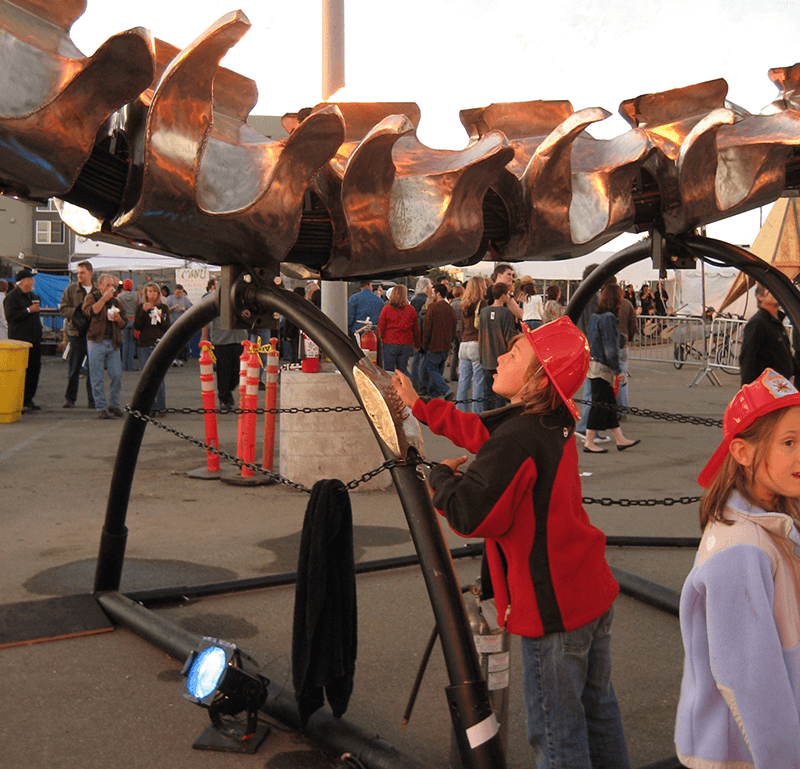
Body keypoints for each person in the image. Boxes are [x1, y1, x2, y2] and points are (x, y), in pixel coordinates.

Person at [392, 317, 630, 769]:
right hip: (589, 592)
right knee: (599, 711)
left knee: (556, 734)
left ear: (539, 379)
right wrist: (420, 407)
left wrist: (439, 475)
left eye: (515, 353)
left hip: (553, 610)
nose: (499, 356)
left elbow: (469, 512)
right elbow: (483, 433)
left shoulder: (520, 437)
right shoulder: (546, 420)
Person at [675, 368, 800, 769]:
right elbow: (751, 682)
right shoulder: (740, 550)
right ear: (742, 453)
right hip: (741, 754)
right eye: (789, 442)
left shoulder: (775, 516)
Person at [584, 284, 640, 453]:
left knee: (608, 405)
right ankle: (589, 441)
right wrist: (618, 371)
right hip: (603, 367)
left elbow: (597, 339)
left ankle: (619, 438)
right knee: (600, 404)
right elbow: (610, 347)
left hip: (594, 364)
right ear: (616, 299)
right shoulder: (608, 318)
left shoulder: (596, 316)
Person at [83, 273, 128, 419]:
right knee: (97, 376)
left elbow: (124, 323)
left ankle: (114, 404)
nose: (111, 289)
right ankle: (101, 407)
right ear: (100, 286)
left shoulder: (117, 302)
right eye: (107, 285)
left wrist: (118, 319)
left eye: (112, 286)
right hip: (96, 341)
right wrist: (104, 299)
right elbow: (91, 311)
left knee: (117, 375)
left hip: (112, 342)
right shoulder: (92, 297)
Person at [200, 278, 247, 410]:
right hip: (222, 340)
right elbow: (205, 319)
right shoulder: (214, 299)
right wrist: (204, 337)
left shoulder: (242, 299)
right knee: (223, 371)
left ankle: (229, 390)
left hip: (240, 339)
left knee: (238, 371)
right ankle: (224, 397)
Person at [739, 283, 795, 386]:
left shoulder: (777, 323)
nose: (776, 293)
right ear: (760, 296)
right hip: (764, 387)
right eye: (771, 291)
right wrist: (747, 389)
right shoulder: (758, 323)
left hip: (779, 386)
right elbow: (748, 357)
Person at [4, 268, 42, 412]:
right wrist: (28, 310)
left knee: (34, 370)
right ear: (23, 281)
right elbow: (10, 316)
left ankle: (28, 399)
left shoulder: (32, 296)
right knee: (20, 372)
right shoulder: (12, 297)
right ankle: (17, 400)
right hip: (19, 340)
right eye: (31, 280)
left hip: (34, 339)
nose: (33, 282)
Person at [59, 260, 96, 409]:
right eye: (78, 273)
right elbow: (62, 308)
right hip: (75, 333)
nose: (79, 275)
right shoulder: (70, 290)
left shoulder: (97, 290)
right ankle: (70, 398)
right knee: (74, 367)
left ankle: (93, 399)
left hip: (93, 334)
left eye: (82, 273)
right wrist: (77, 313)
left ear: (90, 273)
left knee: (93, 368)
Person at [133, 282, 171, 417]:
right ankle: (151, 407)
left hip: (159, 344)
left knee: (159, 377)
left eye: (155, 291)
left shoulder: (164, 308)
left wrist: (159, 317)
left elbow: (167, 327)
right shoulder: (140, 308)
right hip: (144, 346)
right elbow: (137, 326)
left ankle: (162, 407)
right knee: (146, 378)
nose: (153, 294)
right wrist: (144, 311)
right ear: (146, 294)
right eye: (150, 291)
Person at [478, 283, 516, 410]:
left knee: (486, 393)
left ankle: (485, 419)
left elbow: (480, 334)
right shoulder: (506, 313)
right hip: (501, 359)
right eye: (508, 294)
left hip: (486, 357)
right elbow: (509, 337)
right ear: (503, 295)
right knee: (499, 394)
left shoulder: (483, 312)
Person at [455, 277, 487, 413]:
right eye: (484, 285)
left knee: (463, 380)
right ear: (480, 287)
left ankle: (460, 410)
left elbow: (462, 327)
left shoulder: (464, 304)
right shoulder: (482, 303)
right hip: (475, 343)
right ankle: (477, 412)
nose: (486, 287)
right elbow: (484, 327)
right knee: (478, 381)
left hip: (464, 344)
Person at [422, 284, 457, 401]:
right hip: (446, 345)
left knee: (431, 369)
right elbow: (453, 328)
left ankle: (445, 390)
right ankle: (435, 394)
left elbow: (428, 328)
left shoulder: (432, 308)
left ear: (438, 293)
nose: (432, 295)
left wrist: (424, 344)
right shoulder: (450, 309)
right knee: (438, 372)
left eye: (433, 293)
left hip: (434, 344)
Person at [377, 284, 419, 377]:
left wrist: (377, 339)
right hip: (406, 343)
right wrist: (417, 344)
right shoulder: (410, 310)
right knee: (402, 370)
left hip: (389, 342)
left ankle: (392, 389)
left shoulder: (387, 309)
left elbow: (380, 327)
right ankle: (408, 388)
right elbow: (415, 329)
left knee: (389, 371)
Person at [617, 286, 638, 417]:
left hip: (608, 344)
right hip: (623, 343)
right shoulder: (627, 304)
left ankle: (609, 409)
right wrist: (629, 337)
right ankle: (622, 409)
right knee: (622, 377)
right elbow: (633, 324)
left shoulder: (603, 303)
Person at [410, 277, 433, 395]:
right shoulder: (423, 300)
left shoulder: (414, 300)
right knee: (421, 361)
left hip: (416, 333)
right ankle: (421, 384)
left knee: (416, 360)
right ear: (426, 288)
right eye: (430, 287)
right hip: (423, 334)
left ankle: (415, 383)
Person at [165, 284, 192, 365]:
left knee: (182, 341)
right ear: (174, 291)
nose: (179, 294)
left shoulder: (186, 300)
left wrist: (185, 310)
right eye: (177, 293)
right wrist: (173, 308)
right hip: (172, 323)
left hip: (182, 323)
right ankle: (173, 358)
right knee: (173, 341)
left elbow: (191, 310)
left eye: (180, 293)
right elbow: (165, 311)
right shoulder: (169, 299)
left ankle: (182, 358)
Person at [117, 278, 139, 371]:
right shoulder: (136, 296)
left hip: (124, 321)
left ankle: (123, 366)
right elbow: (139, 307)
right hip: (133, 320)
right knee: (132, 344)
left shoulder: (120, 296)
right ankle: (131, 366)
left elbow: (117, 307)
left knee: (125, 343)